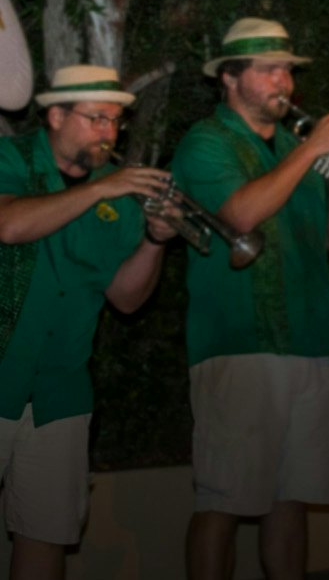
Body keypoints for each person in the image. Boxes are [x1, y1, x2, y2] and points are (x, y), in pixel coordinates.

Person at [172, 18, 329, 580]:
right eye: (271, 69)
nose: (285, 80)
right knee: (224, 502)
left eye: (288, 69)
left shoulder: (293, 148)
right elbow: (239, 214)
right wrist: (311, 155)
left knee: (291, 500)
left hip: (308, 340)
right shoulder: (205, 141)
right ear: (230, 79)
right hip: (237, 344)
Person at [0, 66, 178, 579]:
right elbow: (10, 225)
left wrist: (155, 239)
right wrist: (103, 190)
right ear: (55, 115)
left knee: (46, 535)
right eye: (98, 118)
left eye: (117, 122)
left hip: (62, 392)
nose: (109, 133)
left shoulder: (116, 197)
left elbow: (126, 298)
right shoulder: (10, 158)